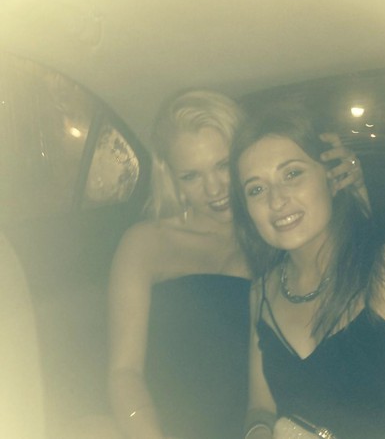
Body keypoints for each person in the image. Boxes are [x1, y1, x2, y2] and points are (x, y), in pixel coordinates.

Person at [108, 90, 364, 439]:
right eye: (191, 176)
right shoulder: (146, 243)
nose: (214, 188)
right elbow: (124, 373)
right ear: (170, 178)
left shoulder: (284, 234)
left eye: (223, 166)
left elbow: (354, 290)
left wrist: (350, 190)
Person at [228, 105, 385, 439]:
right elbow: (261, 407)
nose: (276, 201)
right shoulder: (262, 292)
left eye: (292, 174)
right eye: (256, 189)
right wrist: (259, 431)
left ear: (333, 177)